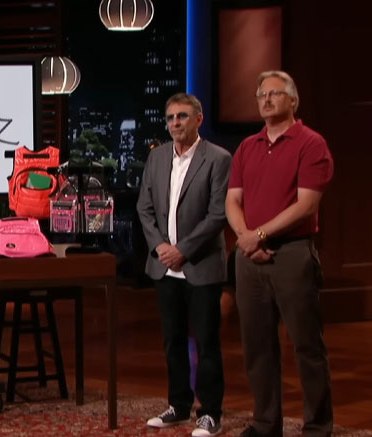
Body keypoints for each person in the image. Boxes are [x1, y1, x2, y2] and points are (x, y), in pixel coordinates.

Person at [225, 71, 334, 437]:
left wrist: (258, 235)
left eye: (274, 94)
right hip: (249, 257)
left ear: (293, 100)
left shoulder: (311, 143)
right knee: (257, 346)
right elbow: (232, 200)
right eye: (261, 95)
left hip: (292, 254)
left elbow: (306, 206)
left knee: (307, 346)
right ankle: (265, 422)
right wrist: (245, 238)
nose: (266, 100)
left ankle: (317, 426)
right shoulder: (247, 146)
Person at [137, 93, 231, 437]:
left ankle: (210, 413)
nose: (175, 123)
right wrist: (160, 246)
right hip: (164, 267)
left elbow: (218, 214)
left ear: (198, 119)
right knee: (172, 341)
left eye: (182, 116)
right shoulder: (157, 157)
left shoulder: (218, 158)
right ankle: (178, 405)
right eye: (171, 118)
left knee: (207, 343)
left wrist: (183, 251)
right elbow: (144, 207)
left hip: (201, 265)